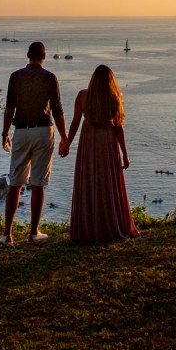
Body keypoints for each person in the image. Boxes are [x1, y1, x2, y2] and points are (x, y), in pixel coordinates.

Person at [59, 64, 138, 242]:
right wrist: (125, 154)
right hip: (107, 144)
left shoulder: (83, 96)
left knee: (89, 181)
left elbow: (75, 123)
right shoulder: (114, 98)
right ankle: (109, 225)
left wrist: (67, 144)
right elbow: (119, 128)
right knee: (107, 184)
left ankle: (87, 228)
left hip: (89, 143)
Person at [0, 41, 67, 244]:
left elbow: (10, 108)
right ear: (44, 56)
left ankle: (7, 234)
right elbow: (57, 110)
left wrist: (5, 133)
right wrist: (65, 137)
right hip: (43, 131)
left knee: (15, 183)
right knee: (38, 183)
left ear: (28, 55)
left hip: (21, 131)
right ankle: (33, 232)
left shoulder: (16, 76)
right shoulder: (50, 78)